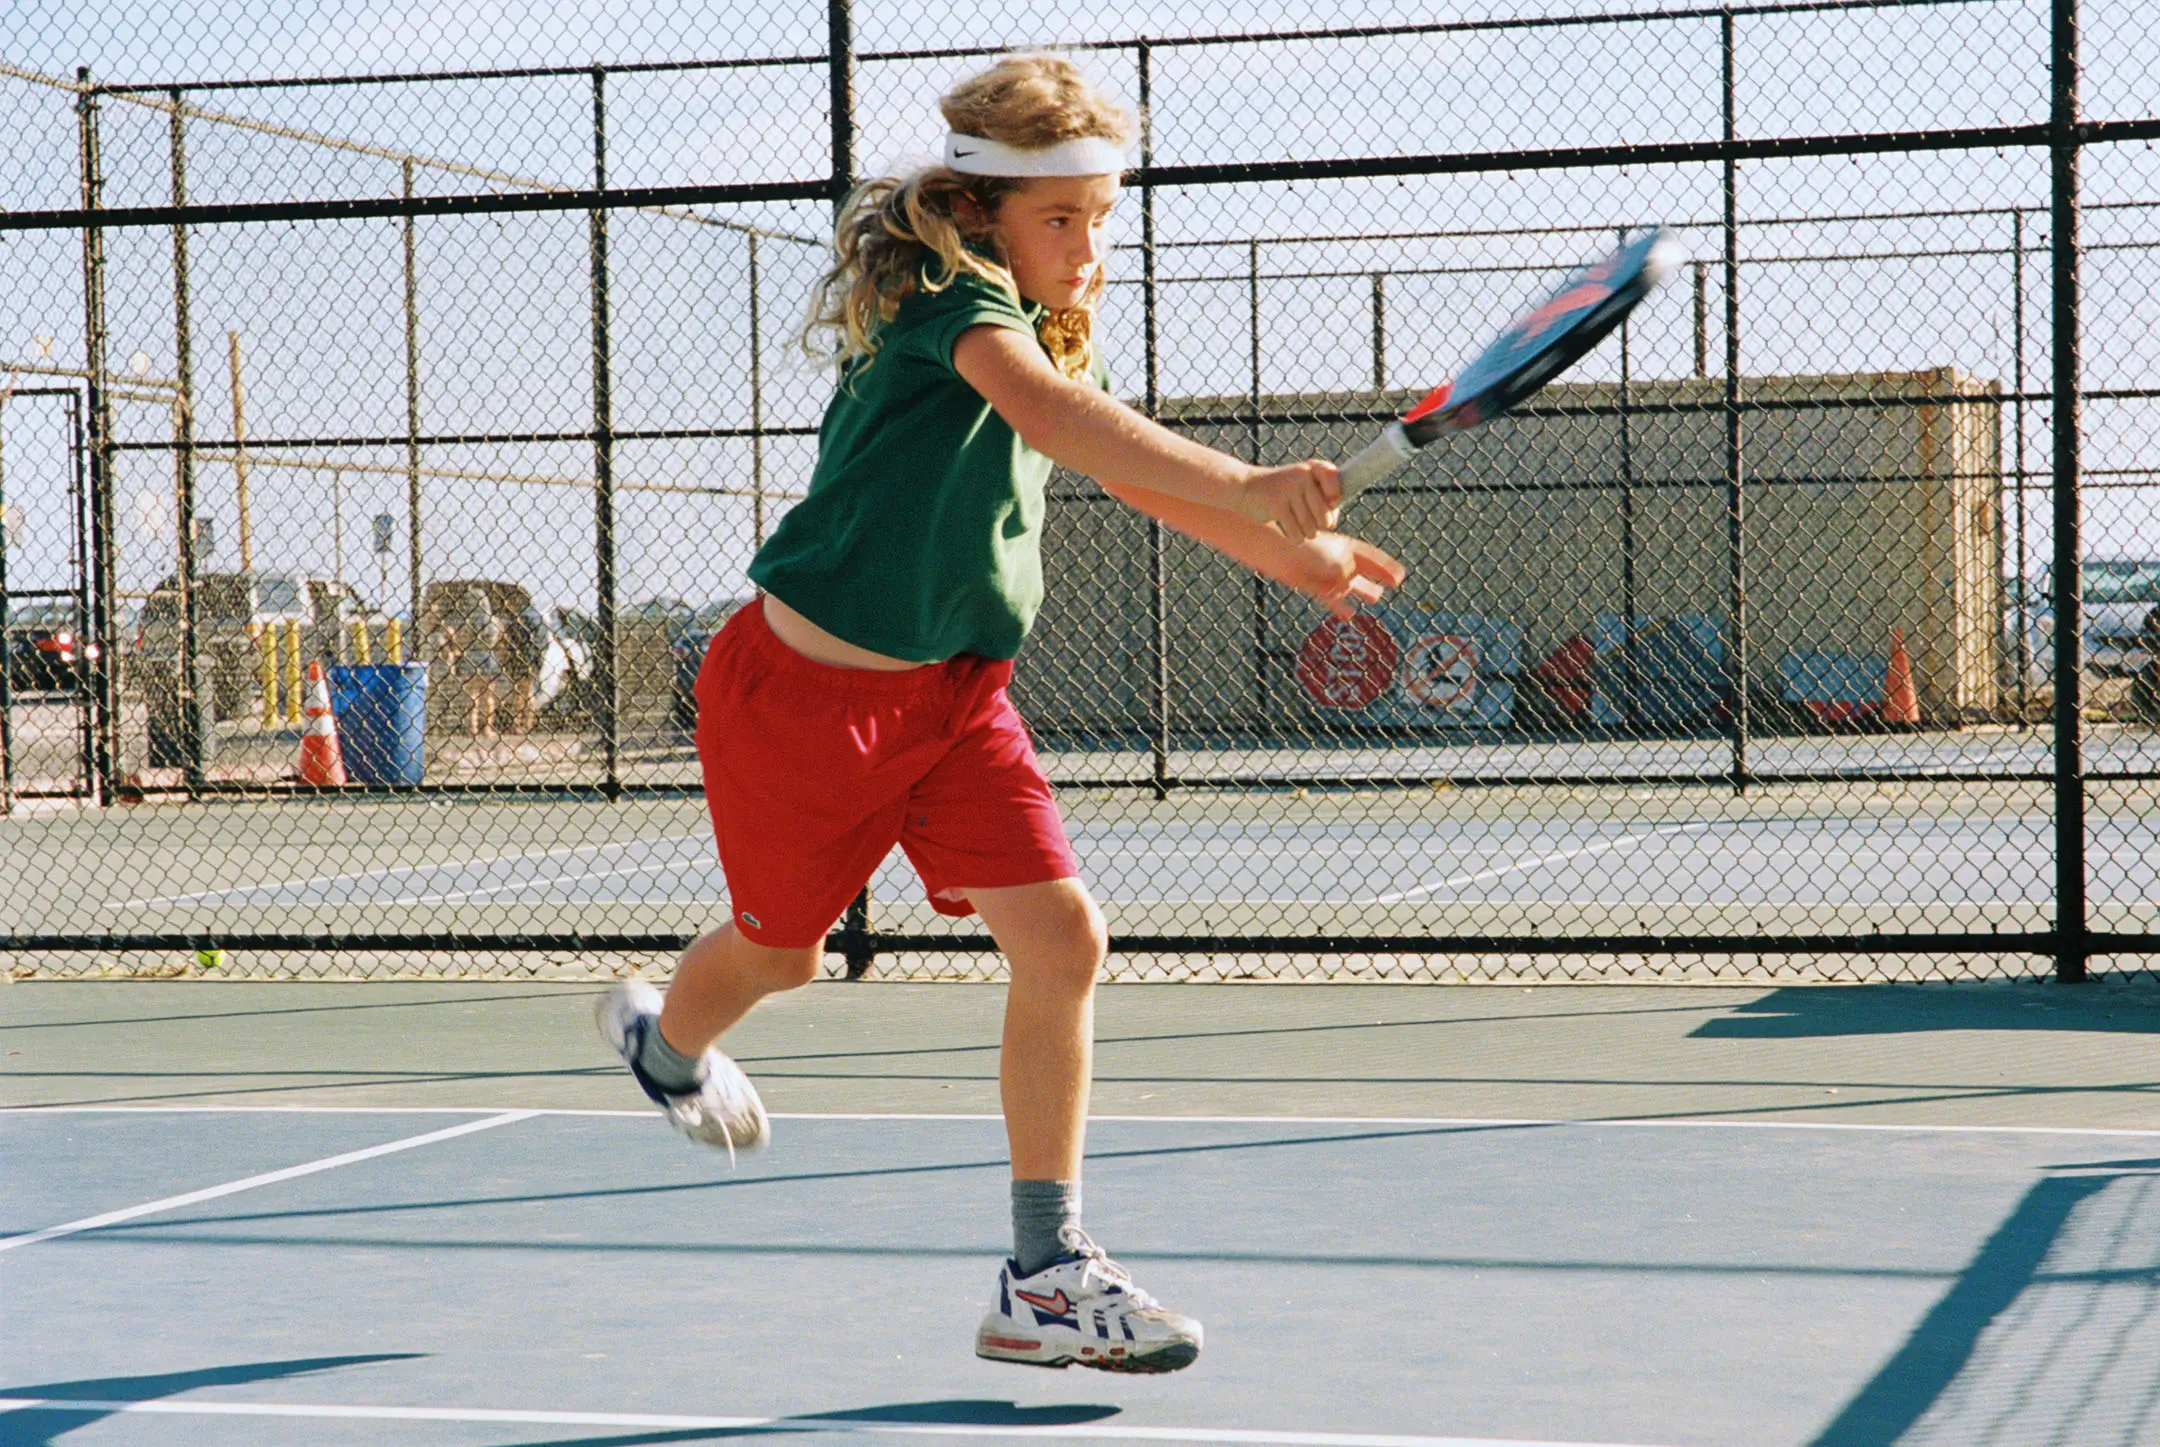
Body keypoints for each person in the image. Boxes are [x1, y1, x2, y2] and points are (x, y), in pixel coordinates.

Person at [596, 52, 1404, 1375]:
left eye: (1102, 218)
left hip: (956, 700)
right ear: (986, 211)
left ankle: (1044, 1273)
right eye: (1062, 218)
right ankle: (667, 1040)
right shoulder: (956, 303)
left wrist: (1286, 550)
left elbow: (1109, 462)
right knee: (782, 955)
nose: (1088, 247)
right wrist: (1258, 481)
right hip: (803, 703)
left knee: (1063, 935)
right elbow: (1058, 417)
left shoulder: (1024, 315)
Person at [453, 588, 502, 740]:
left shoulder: (466, 622)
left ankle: (472, 729)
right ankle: (487, 729)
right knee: (488, 697)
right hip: (488, 657)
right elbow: (499, 639)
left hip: (471, 657)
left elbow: (461, 640)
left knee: (472, 696)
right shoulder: (494, 621)